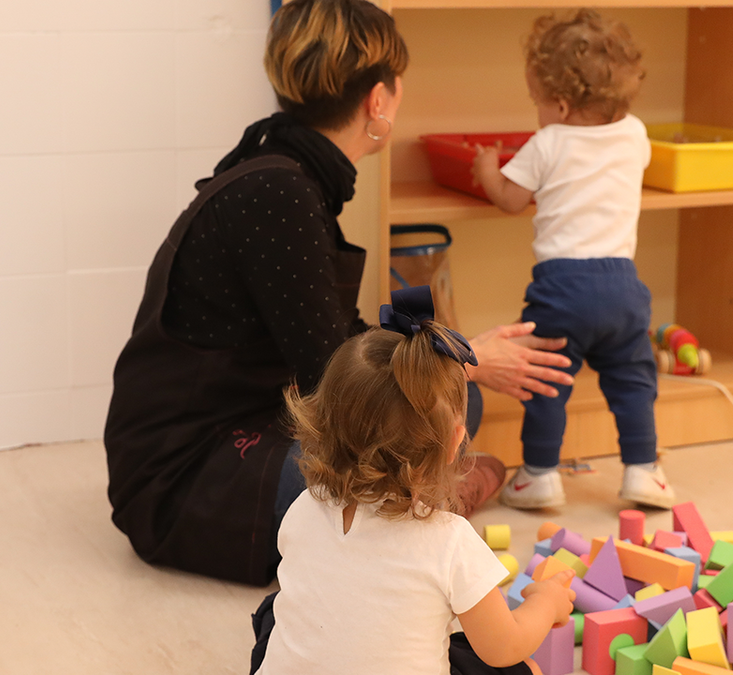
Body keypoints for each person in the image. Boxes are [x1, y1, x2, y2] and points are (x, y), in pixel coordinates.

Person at [103, 0, 573, 587]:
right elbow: (335, 370)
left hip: (256, 414)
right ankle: (435, 502)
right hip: (188, 474)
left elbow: (337, 336)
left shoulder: (286, 170)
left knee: (447, 406)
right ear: (378, 101)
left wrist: (453, 355)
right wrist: (467, 358)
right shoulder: (281, 192)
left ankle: (429, 495)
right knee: (432, 412)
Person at [250, 291, 576, 675]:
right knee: (520, 668)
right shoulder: (450, 540)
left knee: (273, 612)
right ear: (456, 441)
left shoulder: (303, 506)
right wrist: (546, 601)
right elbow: (504, 647)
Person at [471, 10, 674, 510]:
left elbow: (511, 199)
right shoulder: (636, 135)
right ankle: (644, 471)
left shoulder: (548, 142)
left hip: (563, 289)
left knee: (547, 380)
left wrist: (485, 168)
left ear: (559, 104)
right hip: (624, 288)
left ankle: (539, 476)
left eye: (537, 101)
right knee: (633, 380)